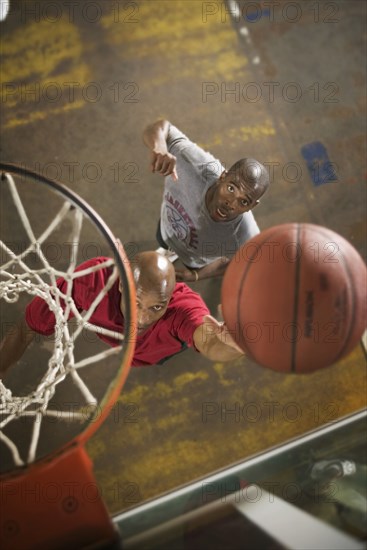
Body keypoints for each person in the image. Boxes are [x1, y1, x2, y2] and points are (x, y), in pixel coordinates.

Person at [0, 251, 244, 377]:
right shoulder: (94, 280)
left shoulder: (182, 308)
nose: (142, 317)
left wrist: (239, 343)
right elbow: (28, 326)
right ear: (120, 284)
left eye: (155, 307)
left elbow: (211, 344)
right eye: (135, 302)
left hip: (150, 354)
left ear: (169, 299)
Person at [143, 119, 270, 282]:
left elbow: (247, 261)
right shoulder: (192, 163)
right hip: (166, 230)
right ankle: (168, 250)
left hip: (195, 261)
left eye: (243, 201)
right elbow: (161, 127)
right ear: (222, 177)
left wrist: (197, 274)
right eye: (231, 188)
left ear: (252, 206)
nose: (230, 203)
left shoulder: (246, 234)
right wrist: (159, 147)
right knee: (163, 244)